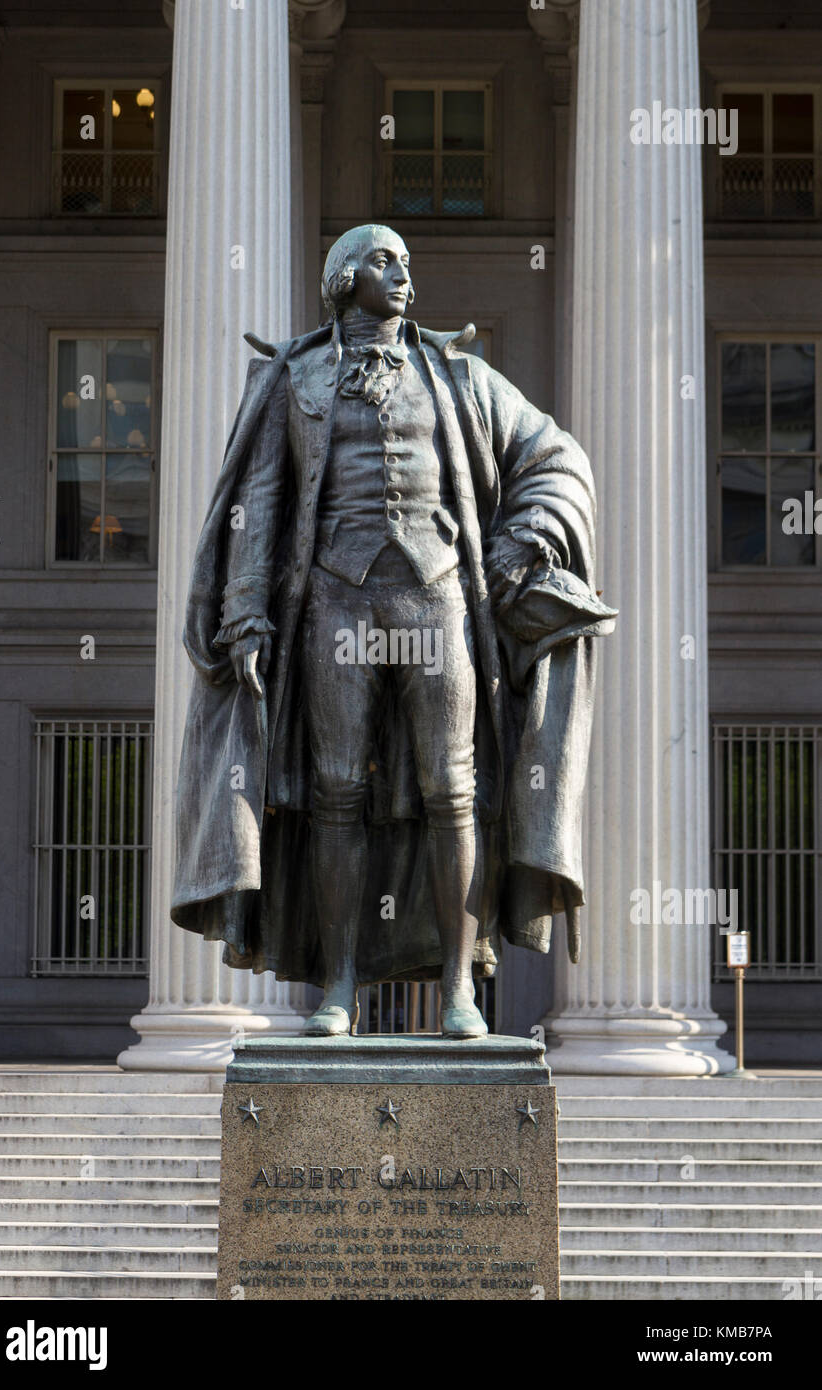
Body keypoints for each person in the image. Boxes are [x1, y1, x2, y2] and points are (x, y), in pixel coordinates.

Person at [172, 224, 615, 1038]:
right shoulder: (293, 378)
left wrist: (523, 540)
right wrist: (245, 609)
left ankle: (458, 988)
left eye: (408, 261)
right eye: (385, 261)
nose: (405, 273)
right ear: (343, 279)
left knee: (455, 792)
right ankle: (337, 986)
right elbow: (260, 500)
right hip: (335, 604)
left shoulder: (459, 376)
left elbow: (555, 455)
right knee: (337, 793)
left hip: (438, 597)